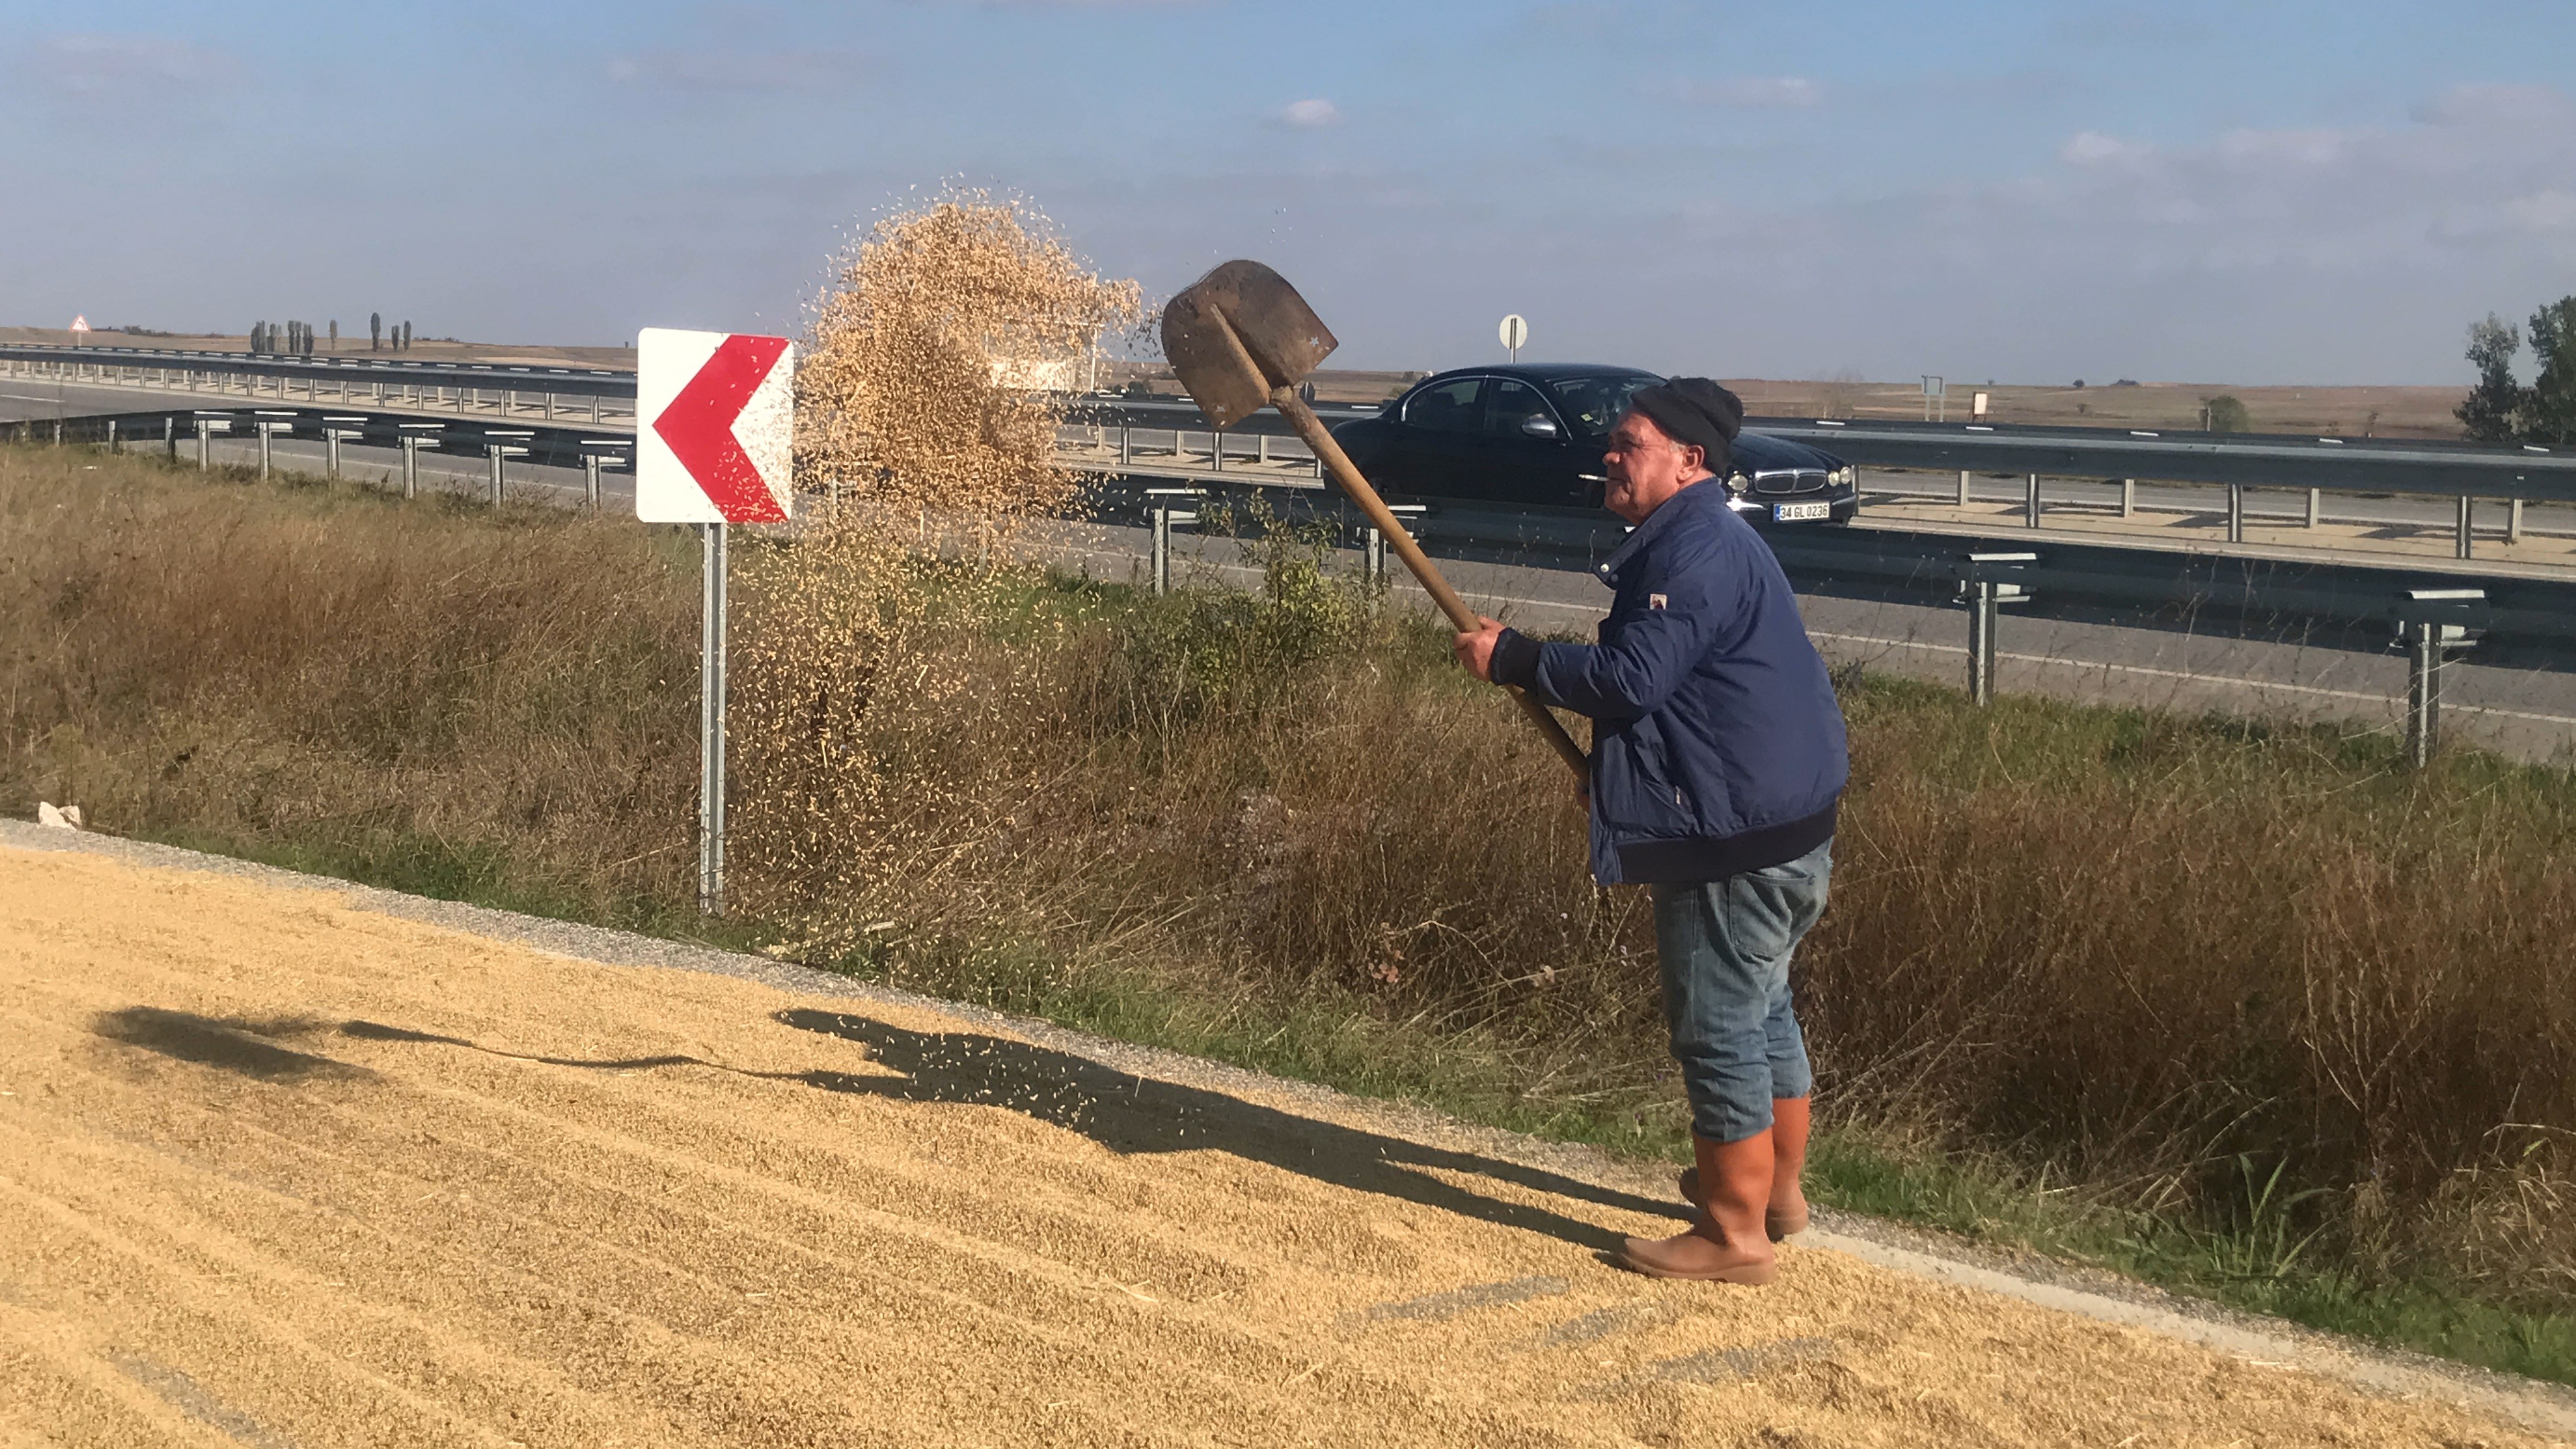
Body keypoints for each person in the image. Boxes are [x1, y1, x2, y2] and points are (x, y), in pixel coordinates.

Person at [1452, 378, 1848, 1284]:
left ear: (1689, 460)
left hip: (1731, 839)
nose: (1611, 455)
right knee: (1763, 1005)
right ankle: (1777, 1196)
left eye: (1629, 442)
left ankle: (1732, 1233)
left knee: (1718, 1029)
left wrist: (1511, 657)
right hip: (1777, 820)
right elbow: (1687, 703)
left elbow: (1631, 680)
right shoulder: (1704, 538)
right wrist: (1622, 780)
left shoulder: (1695, 552)